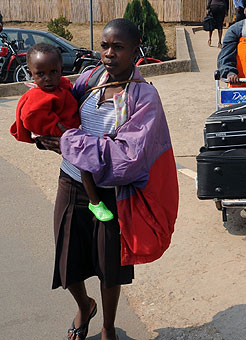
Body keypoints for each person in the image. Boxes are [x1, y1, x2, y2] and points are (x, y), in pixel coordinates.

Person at [36, 18, 178, 340]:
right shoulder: (89, 79)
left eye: (118, 47)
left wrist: (69, 143)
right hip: (71, 183)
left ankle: (108, 327)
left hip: (111, 193)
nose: (109, 54)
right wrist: (42, 129)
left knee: (108, 265)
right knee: (67, 257)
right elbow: (61, 110)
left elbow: (128, 159)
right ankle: (85, 305)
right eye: (104, 46)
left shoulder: (144, 98)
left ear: (135, 52)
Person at [10, 43, 114, 222]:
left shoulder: (62, 85)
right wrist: (63, 133)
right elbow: (31, 118)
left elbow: (68, 93)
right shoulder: (37, 97)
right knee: (84, 164)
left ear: (61, 69)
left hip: (70, 129)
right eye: (40, 74)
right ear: (31, 73)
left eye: (53, 72)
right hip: (61, 133)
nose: (48, 79)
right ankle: (95, 201)